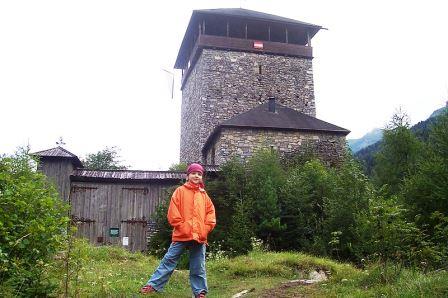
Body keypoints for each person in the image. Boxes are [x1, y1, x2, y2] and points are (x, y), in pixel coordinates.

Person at [140, 163, 216, 297]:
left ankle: (199, 292)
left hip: (200, 236)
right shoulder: (180, 191)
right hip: (181, 234)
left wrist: (206, 228)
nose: (196, 176)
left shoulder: (204, 195)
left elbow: (211, 214)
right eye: (193, 173)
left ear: (201, 177)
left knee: (198, 266)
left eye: (199, 174)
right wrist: (182, 226)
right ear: (187, 176)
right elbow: (173, 213)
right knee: (168, 261)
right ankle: (153, 286)